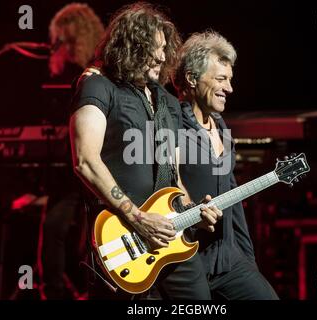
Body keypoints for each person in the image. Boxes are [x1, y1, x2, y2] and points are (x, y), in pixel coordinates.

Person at [69, 2, 221, 300]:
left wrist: (193, 213)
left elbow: (173, 180)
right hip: (123, 236)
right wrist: (137, 218)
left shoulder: (168, 102)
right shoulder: (98, 86)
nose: (164, 57)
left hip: (171, 238)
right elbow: (85, 160)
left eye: (166, 48)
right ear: (132, 45)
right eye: (157, 47)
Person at [173, 30, 279, 299]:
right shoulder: (171, 125)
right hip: (185, 259)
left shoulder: (222, 131)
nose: (229, 88)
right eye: (221, 79)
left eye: (230, 80)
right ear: (192, 79)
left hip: (227, 258)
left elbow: (234, 204)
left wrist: (247, 259)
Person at [40, 3, 104, 300]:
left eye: (58, 41)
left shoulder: (87, 78)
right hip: (75, 174)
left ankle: (60, 291)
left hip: (92, 171)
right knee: (57, 228)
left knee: (57, 229)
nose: (54, 48)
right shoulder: (78, 76)